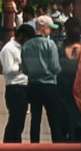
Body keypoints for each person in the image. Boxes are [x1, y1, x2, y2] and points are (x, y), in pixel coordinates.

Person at [19, 15, 62, 144]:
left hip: (33, 85)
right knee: (54, 119)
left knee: (35, 119)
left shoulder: (26, 45)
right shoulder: (50, 44)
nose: (51, 31)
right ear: (43, 28)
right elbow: (55, 67)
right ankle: (57, 147)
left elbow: (25, 69)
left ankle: (34, 147)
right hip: (49, 85)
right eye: (49, 28)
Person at [0, 20, 28, 144]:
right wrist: (21, 66)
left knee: (20, 120)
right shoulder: (9, 49)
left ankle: (16, 143)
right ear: (21, 36)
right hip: (14, 87)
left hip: (23, 86)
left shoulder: (22, 48)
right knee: (15, 118)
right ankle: (9, 143)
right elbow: (8, 70)